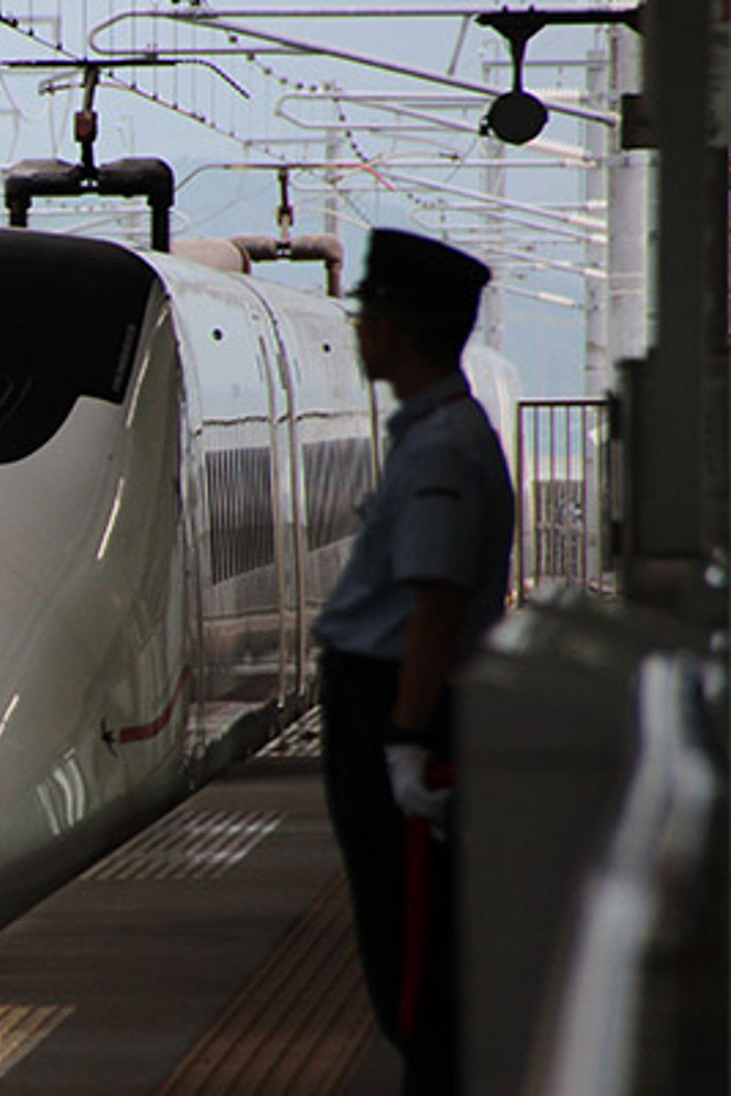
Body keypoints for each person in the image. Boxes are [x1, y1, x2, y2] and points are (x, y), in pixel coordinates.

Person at [313, 228, 515, 1095]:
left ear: (393, 328)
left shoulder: (439, 449)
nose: (358, 330)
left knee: (411, 948)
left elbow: (433, 606)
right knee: (408, 939)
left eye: (367, 313)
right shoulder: (444, 433)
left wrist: (401, 742)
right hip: (398, 702)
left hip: (396, 707)